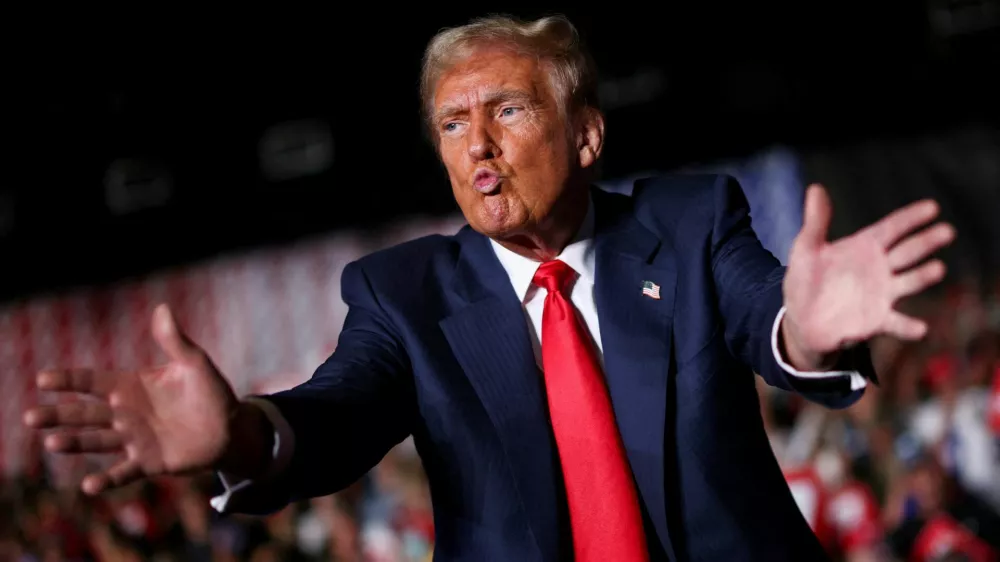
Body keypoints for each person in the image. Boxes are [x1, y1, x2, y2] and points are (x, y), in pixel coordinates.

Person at [23, 15, 956, 562]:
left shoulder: (691, 221)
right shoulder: (404, 294)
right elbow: (335, 414)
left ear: (585, 135)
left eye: (508, 110)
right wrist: (242, 435)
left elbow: (766, 317)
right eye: (452, 124)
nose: (477, 146)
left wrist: (808, 330)